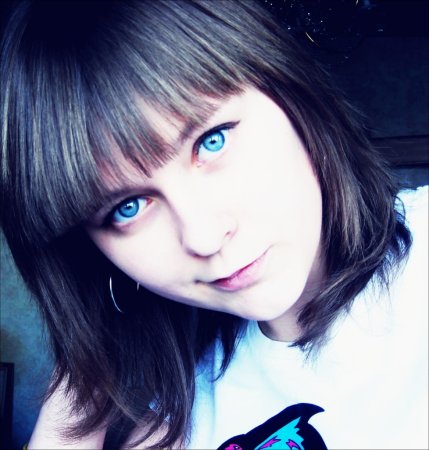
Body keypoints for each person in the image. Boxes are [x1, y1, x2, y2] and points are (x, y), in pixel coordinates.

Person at [1, 0, 427, 448]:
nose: (204, 237)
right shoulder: (178, 424)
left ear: (292, 96)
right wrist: (82, 382)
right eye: (128, 207)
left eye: (212, 141)